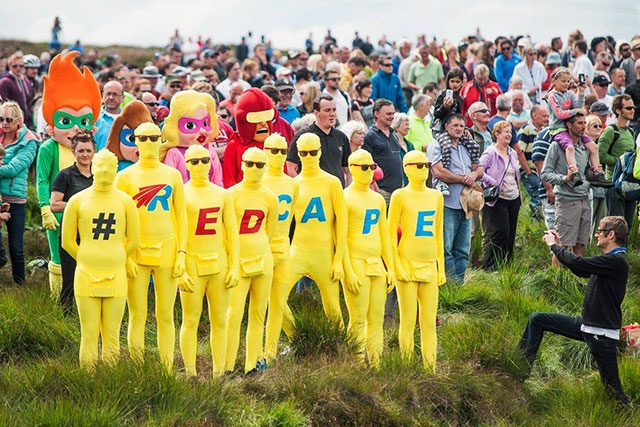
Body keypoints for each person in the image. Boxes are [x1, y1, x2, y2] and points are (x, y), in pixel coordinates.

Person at [518, 216, 631, 410]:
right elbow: (580, 269)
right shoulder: (609, 261)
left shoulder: (616, 261)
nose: (596, 234)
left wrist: (553, 246)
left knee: (614, 393)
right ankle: (518, 371)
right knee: (537, 319)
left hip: (601, 334)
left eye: (600, 230)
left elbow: (579, 265)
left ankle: (627, 415)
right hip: (588, 326)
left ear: (611, 235)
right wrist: (560, 248)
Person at [115, 122, 189, 372]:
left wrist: (182, 254)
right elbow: (119, 220)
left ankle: (167, 368)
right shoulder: (124, 177)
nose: (148, 143)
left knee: (165, 314)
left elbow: (182, 217)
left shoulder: (173, 175)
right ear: (135, 140)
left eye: (153, 138)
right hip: (136, 252)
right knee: (136, 314)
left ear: (160, 140)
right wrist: (125, 256)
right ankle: (137, 369)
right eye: (142, 138)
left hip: (167, 250)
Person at [61, 149, 140, 370]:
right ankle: (88, 379)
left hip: (116, 274)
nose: (105, 171)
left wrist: (119, 258)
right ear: (92, 168)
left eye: (110, 167)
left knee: (112, 333)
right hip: (86, 274)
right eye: (101, 166)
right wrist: (86, 259)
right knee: (88, 332)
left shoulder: (126, 201)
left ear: (116, 170)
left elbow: (134, 239)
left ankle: (109, 378)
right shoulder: (77, 201)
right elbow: (67, 241)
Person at [179, 144, 240, 378]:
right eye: (194, 161)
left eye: (205, 160)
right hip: (192, 263)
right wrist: (180, 268)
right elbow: (177, 233)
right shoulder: (181, 193)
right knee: (190, 319)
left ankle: (219, 373)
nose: (200, 166)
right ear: (186, 165)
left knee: (220, 320)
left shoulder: (222, 194)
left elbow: (232, 233)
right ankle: (190, 372)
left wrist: (235, 266)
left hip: (219, 263)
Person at [388, 150, 444, 372]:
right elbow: (390, 232)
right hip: (407, 265)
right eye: (418, 165)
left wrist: (440, 266)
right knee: (408, 320)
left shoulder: (436, 196)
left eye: (426, 165)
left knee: (429, 322)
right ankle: (406, 368)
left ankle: (431, 368)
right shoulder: (399, 196)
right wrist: (396, 265)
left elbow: (438, 233)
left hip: (429, 265)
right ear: (407, 168)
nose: (423, 169)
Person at [226, 147, 278, 374]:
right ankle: (226, 365)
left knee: (258, 314)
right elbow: (226, 232)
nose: (254, 169)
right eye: (250, 164)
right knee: (233, 315)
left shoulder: (270, 197)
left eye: (259, 165)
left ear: (265, 167)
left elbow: (270, 230)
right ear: (242, 165)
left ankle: (251, 365)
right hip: (238, 262)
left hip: (262, 260)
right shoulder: (231, 195)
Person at [343, 149, 396, 368]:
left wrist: (390, 267)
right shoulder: (345, 197)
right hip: (356, 261)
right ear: (353, 168)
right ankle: (356, 365)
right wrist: (347, 270)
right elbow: (341, 239)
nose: (368, 172)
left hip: (376, 264)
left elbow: (384, 235)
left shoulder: (377, 199)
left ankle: (376, 364)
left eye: (372, 167)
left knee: (376, 319)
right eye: (364, 167)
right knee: (357, 318)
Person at [428, 114, 483, 284]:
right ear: (446, 126)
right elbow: (438, 171)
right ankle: (448, 284)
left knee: (462, 249)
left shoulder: (467, 146)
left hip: (465, 205)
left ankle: (458, 285)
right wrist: (462, 179)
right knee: (446, 248)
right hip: (447, 203)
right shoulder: (437, 145)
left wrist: (473, 174)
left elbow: (479, 168)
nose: (459, 129)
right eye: (455, 126)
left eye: (461, 125)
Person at [262, 134, 298, 362]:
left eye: (282, 151)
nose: (278, 155)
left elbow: (292, 215)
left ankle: (273, 349)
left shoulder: (292, 184)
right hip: (260, 248)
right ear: (265, 151)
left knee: (277, 300)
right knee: (261, 301)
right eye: (273, 150)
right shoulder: (259, 180)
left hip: (283, 247)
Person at [50, 130, 95, 313]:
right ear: (73, 152)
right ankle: (66, 317)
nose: (85, 155)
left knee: (92, 277)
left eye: (88, 151)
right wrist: (79, 204)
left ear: (94, 152)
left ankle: (89, 313)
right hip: (70, 234)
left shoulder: (100, 175)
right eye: (81, 151)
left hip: (93, 234)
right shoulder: (65, 175)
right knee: (70, 278)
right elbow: (54, 205)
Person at [541, 110, 592, 265]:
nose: (584, 127)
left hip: (584, 199)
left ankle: (576, 279)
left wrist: (593, 173)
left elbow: (585, 171)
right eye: (580, 123)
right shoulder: (557, 146)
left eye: (585, 123)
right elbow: (545, 173)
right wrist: (565, 178)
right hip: (566, 200)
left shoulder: (585, 146)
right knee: (562, 245)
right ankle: (557, 281)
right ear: (569, 125)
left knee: (580, 244)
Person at [0, 101, 39, 284]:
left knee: (16, 246)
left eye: (8, 119)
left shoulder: (29, 141)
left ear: (19, 121)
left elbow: (14, 168)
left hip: (15, 199)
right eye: (1, 119)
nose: (4, 123)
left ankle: (19, 285)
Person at [547, 67, 604, 186]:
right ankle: (574, 173)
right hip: (558, 128)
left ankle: (597, 173)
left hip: (571, 127)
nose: (566, 84)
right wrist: (575, 111)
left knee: (593, 147)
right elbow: (560, 114)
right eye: (563, 81)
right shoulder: (552, 96)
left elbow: (577, 107)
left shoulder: (570, 93)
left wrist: (581, 92)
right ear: (554, 81)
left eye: (568, 81)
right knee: (570, 147)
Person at [479, 121, 521, 270]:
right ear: (497, 134)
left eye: (510, 132)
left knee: (511, 235)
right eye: (505, 132)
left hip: (514, 197)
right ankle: (490, 267)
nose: (509, 134)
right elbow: (479, 170)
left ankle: (507, 266)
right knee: (501, 232)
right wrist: (492, 182)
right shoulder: (490, 152)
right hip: (498, 198)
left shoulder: (513, 153)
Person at [286, 94, 352, 188]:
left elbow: (348, 170)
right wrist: (303, 189)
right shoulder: (303, 136)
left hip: (337, 195)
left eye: (334, 110)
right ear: (316, 113)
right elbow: (290, 168)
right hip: (313, 196)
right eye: (327, 110)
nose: (332, 114)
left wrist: (347, 191)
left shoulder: (341, 137)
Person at [598, 94, 637, 230]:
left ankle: (624, 251)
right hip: (614, 184)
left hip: (628, 184)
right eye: (628, 108)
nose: (632, 110)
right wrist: (621, 161)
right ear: (618, 110)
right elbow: (601, 156)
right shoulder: (610, 131)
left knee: (627, 226)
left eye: (633, 107)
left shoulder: (631, 131)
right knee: (616, 226)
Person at [363, 99, 403, 206]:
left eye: (393, 113)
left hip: (397, 191)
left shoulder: (393, 134)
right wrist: (375, 187)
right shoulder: (370, 136)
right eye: (388, 114)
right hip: (381, 191)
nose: (392, 116)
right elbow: (365, 164)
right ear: (377, 114)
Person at [431, 69, 464, 136]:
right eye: (452, 81)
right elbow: (436, 114)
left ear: (461, 83)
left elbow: (459, 114)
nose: (455, 84)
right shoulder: (441, 95)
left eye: (457, 82)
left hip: (453, 128)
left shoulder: (459, 98)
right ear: (448, 82)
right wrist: (445, 107)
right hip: (440, 129)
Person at [392, 112, 415, 186]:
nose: (408, 127)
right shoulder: (391, 143)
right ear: (397, 125)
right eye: (406, 124)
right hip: (396, 183)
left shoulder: (410, 145)